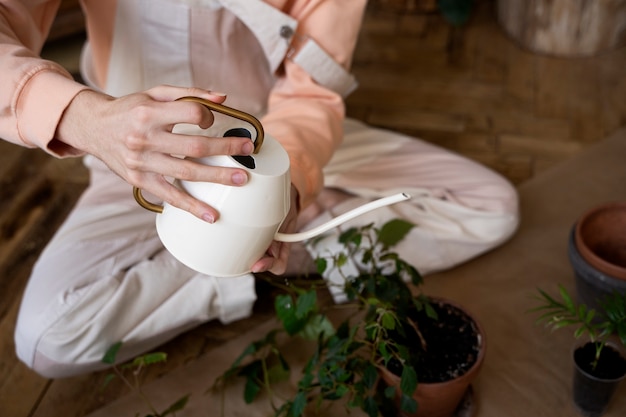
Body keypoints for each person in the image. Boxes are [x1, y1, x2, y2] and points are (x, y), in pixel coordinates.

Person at [1, 0, 519, 379]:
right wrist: (83, 117)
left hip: (268, 143)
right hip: (129, 158)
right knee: (48, 338)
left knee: (491, 208)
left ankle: (262, 246)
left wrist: (288, 187)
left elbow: (313, 91)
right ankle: (248, 264)